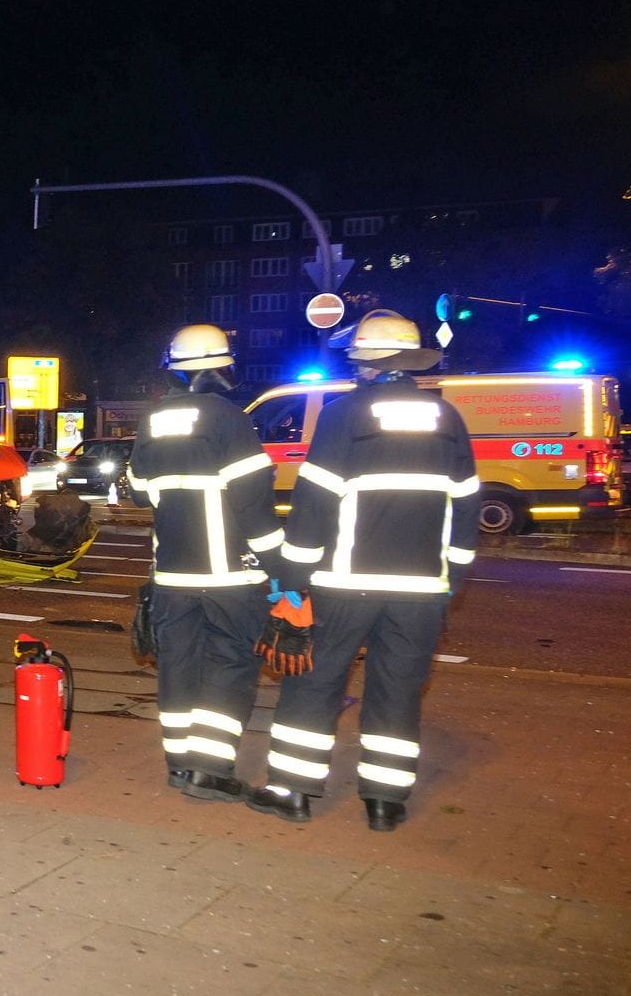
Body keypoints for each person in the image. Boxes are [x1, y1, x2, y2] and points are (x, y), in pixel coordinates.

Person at [246, 310, 478, 831]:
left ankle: (294, 791)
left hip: (343, 585)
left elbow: (315, 505)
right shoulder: (448, 419)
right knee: (397, 691)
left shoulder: (344, 415)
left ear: (369, 364)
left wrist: (292, 578)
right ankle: (384, 802)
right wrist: (449, 582)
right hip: (420, 591)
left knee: (313, 685)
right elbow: (464, 508)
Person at [127, 324, 292, 803]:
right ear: (220, 366)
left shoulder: (154, 419)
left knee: (177, 666)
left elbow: (138, 491)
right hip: (231, 576)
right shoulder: (229, 418)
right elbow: (253, 504)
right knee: (232, 664)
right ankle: (210, 768)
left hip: (171, 574)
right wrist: (281, 564)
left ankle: (179, 764)